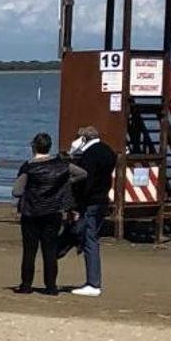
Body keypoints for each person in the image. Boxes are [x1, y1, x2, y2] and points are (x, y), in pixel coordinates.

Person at [12, 132, 75, 294]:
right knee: (50, 250)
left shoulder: (29, 166)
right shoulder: (61, 165)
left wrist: (31, 189)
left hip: (31, 213)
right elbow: (82, 173)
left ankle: (26, 285)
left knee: (29, 250)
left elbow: (16, 191)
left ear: (34, 146)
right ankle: (51, 286)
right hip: (52, 212)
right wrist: (63, 183)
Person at [62, 125, 114, 297]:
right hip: (102, 199)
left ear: (83, 139)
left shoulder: (89, 155)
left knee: (89, 239)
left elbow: (85, 182)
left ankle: (93, 283)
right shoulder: (108, 151)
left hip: (91, 201)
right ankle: (92, 281)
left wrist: (76, 205)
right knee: (84, 234)